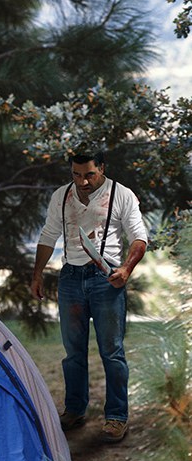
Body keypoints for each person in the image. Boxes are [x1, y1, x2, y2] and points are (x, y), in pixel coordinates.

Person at [30, 150, 147, 443]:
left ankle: (117, 416)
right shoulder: (62, 196)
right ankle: (75, 409)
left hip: (106, 280)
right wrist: (37, 274)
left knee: (112, 351)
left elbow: (139, 238)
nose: (82, 181)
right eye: (76, 174)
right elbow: (48, 235)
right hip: (70, 278)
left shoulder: (121, 195)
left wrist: (126, 269)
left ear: (102, 169)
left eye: (89, 174)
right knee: (73, 353)